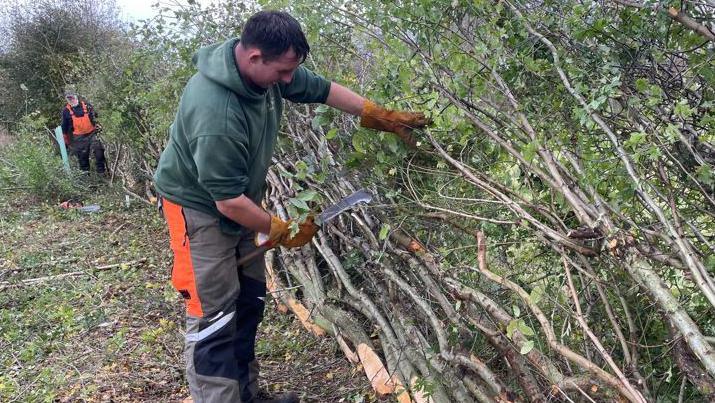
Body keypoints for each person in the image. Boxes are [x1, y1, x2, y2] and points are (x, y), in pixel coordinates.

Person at [153, 10, 428, 403]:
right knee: (213, 316)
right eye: (282, 72)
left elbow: (321, 88)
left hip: (240, 201)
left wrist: (376, 114)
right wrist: (280, 230)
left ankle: (246, 396)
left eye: (291, 71)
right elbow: (226, 201)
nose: (288, 81)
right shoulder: (217, 112)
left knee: (247, 302)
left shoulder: (266, 72)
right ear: (253, 58)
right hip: (199, 210)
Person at [60, 91, 106, 175]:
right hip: (79, 137)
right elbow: (64, 127)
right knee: (82, 158)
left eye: (72, 98)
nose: (71, 100)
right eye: (69, 99)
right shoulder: (66, 111)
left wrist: (99, 125)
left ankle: (101, 172)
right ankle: (86, 177)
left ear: (76, 97)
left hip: (92, 133)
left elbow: (96, 117)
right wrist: (65, 140)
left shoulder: (87, 106)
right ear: (67, 100)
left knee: (98, 150)